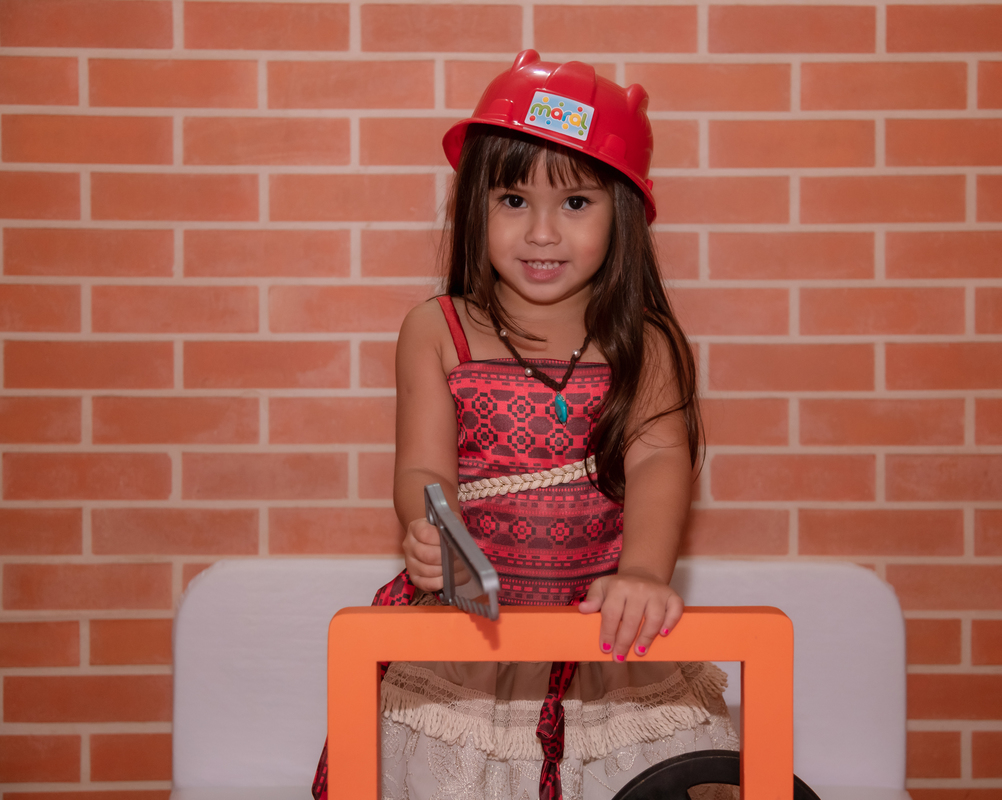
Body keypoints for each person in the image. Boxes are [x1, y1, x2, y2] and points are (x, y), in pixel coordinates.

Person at [313, 49, 735, 800]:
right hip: (470, 643)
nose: (541, 232)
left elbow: (660, 460)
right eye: (513, 199)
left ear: (622, 212)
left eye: (575, 203)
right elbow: (423, 468)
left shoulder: (648, 344)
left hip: (603, 640)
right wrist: (433, 530)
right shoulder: (436, 330)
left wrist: (643, 574)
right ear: (475, 206)